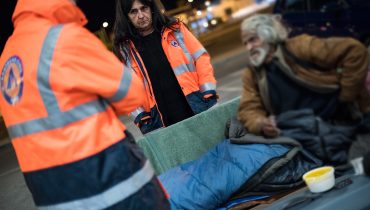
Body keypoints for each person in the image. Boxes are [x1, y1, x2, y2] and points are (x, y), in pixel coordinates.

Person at [0, 0, 170, 209]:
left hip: (49, 191)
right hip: (107, 178)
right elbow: (132, 93)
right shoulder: (63, 38)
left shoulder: (8, 55)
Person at [238, 14, 370, 138]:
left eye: (253, 40)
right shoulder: (252, 74)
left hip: (336, 119)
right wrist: (261, 123)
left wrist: (346, 96)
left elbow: (354, 51)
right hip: (298, 131)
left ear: (269, 36)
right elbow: (248, 108)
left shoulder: (299, 46)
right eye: (245, 43)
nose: (249, 47)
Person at [113, 0, 218, 134]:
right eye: (133, 12)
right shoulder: (124, 50)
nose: (140, 15)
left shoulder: (175, 29)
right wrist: (141, 117)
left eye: (143, 8)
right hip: (157, 121)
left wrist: (207, 91)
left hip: (196, 104)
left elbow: (200, 58)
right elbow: (124, 88)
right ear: (125, 16)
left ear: (151, 8)